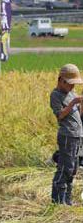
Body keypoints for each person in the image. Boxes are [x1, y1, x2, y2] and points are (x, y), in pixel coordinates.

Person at [50, 64, 83, 205]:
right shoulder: (55, 95)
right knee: (65, 168)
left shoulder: (72, 94)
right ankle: (58, 201)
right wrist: (73, 103)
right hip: (67, 136)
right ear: (61, 80)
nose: (72, 88)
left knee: (73, 169)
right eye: (70, 84)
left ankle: (67, 200)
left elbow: (79, 116)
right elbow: (60, 116)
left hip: (77, 135)